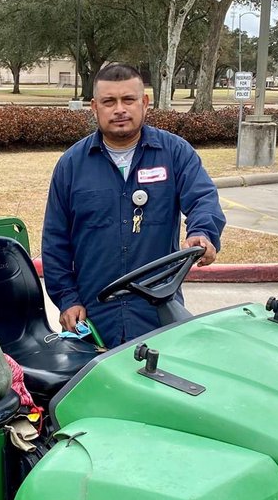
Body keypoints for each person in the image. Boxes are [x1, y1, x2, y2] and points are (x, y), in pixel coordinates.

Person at [41, 62, 226, 348]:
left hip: (158, 313)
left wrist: (202, 232)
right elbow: (55, 242)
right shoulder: (72, 166)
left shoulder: (175, 153)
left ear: (145, 102)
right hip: (94, 317)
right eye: (109, 101)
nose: (119, 109)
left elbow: (203, 199)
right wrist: (67, 299)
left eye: (128, 99)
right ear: (94, 106)